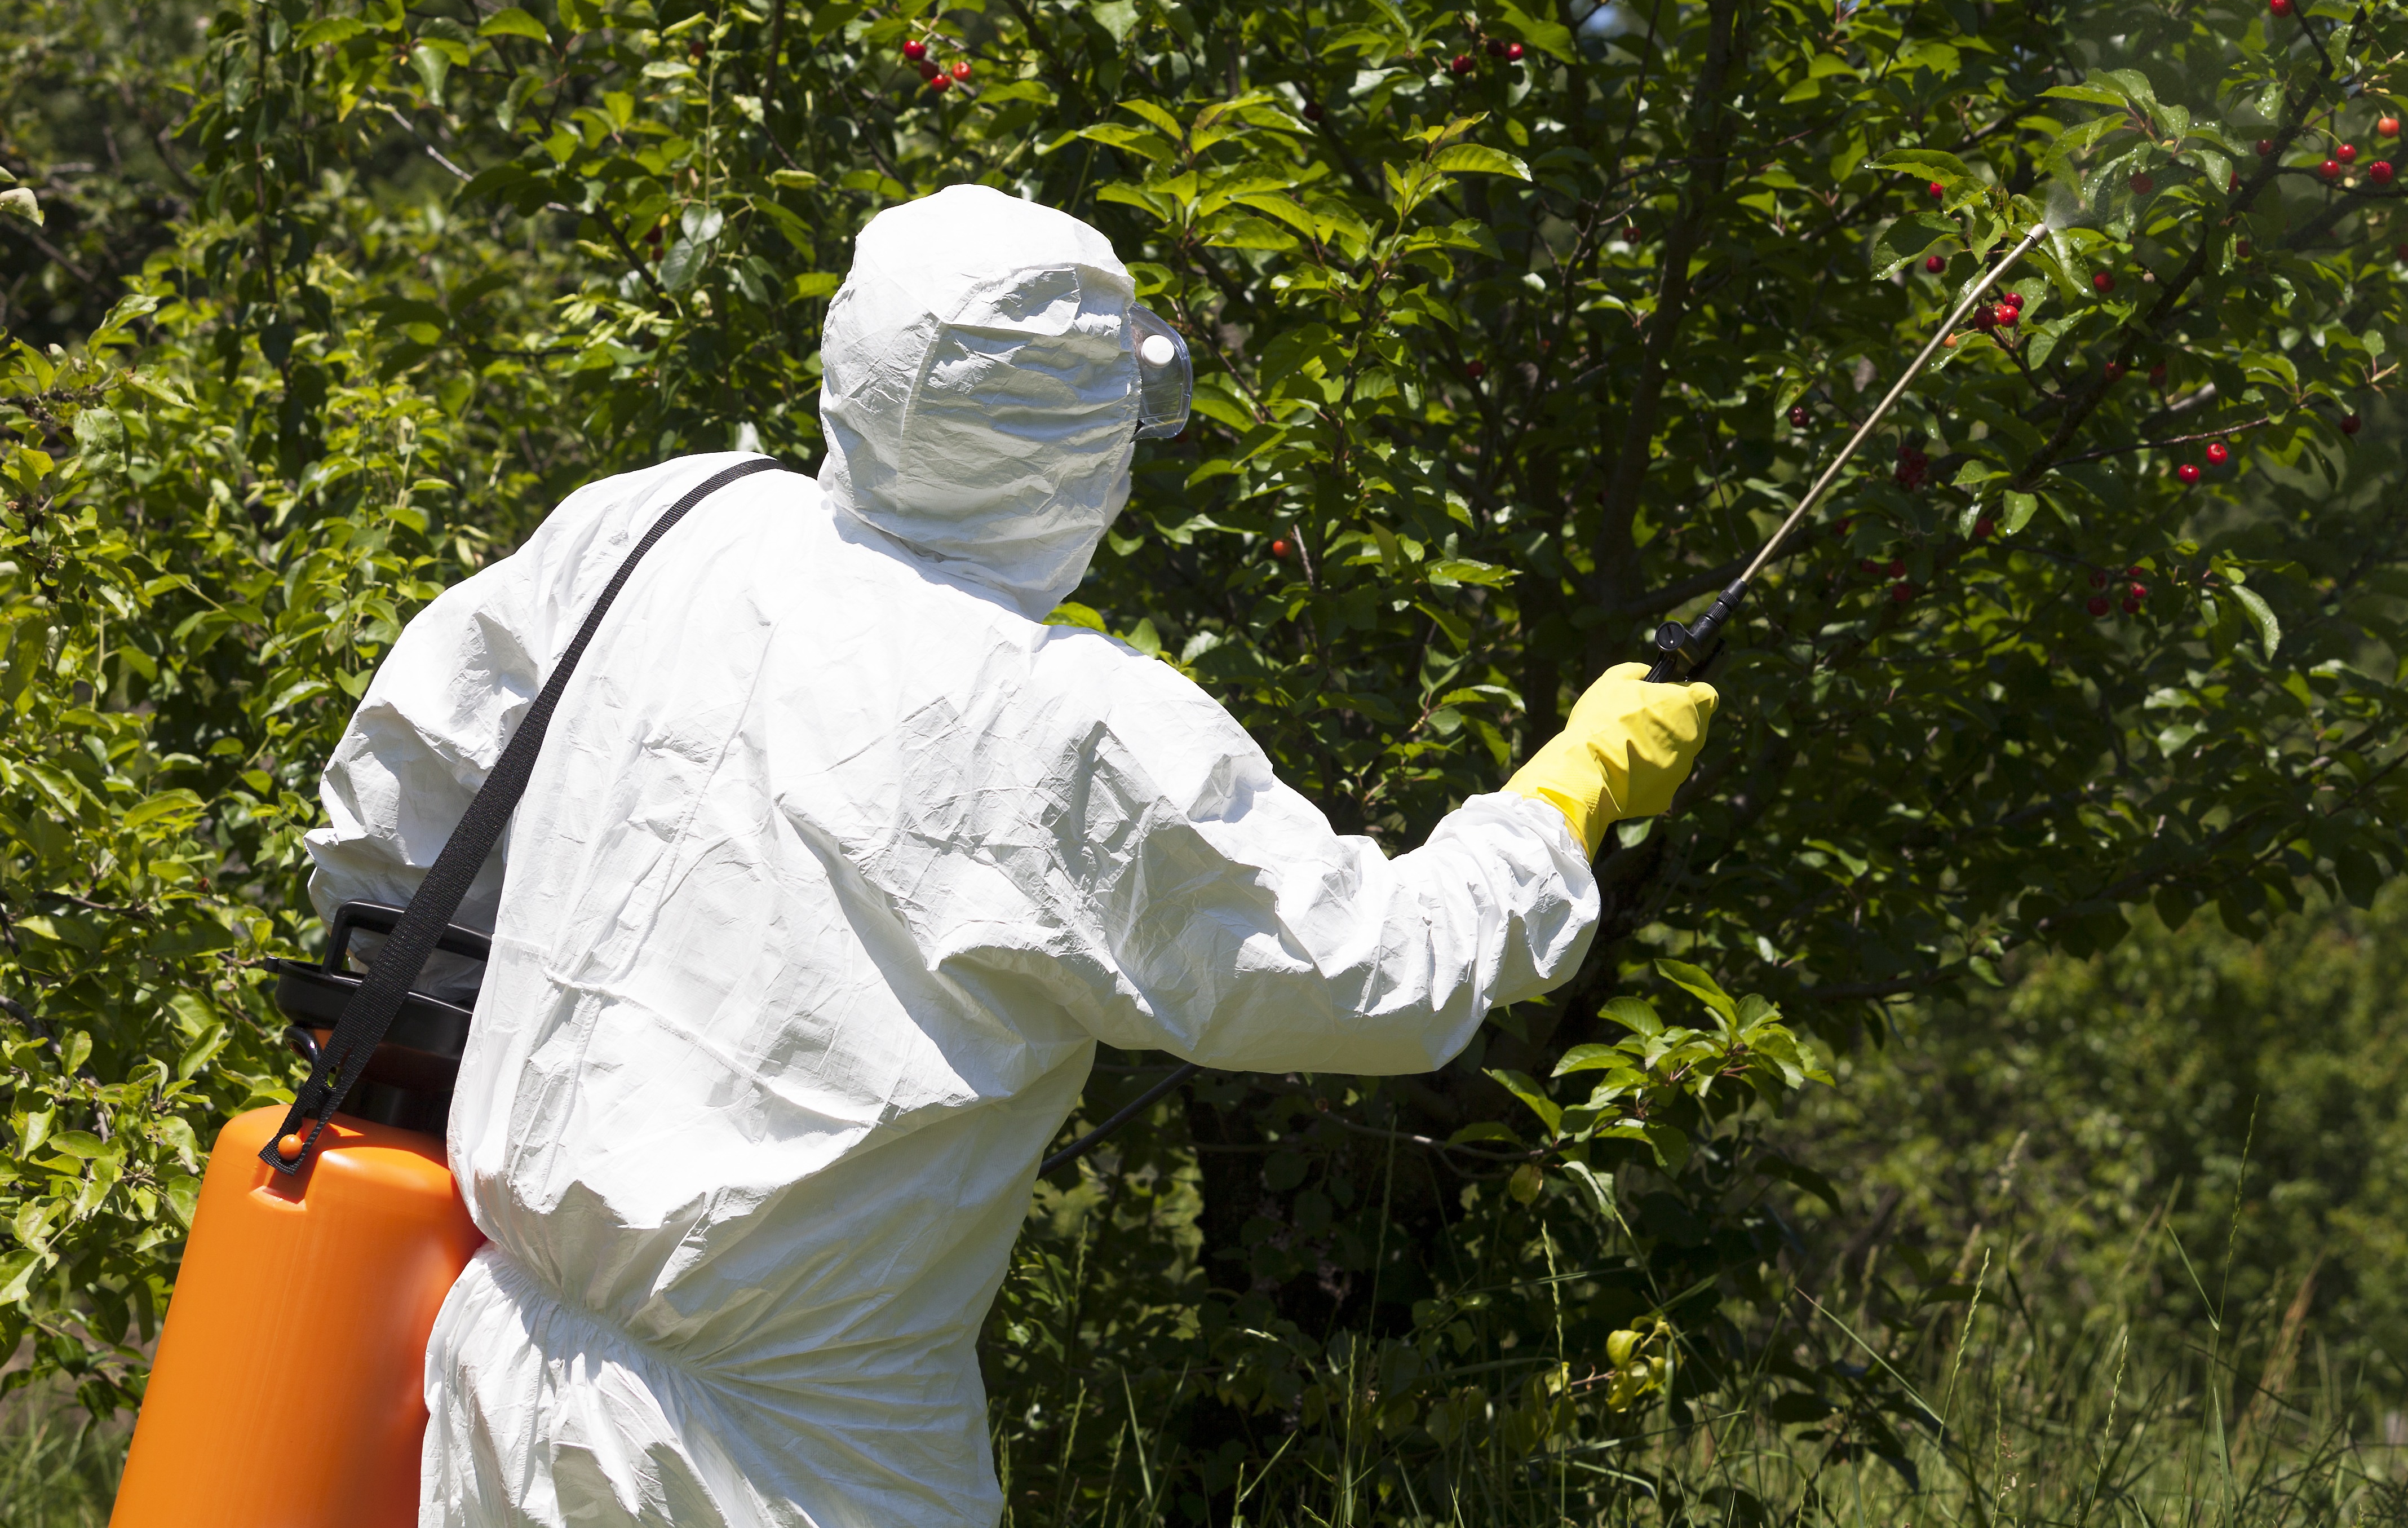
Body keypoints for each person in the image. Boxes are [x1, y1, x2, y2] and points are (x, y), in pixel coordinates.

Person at [306, 184, 1720, 1528]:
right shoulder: (1062, 726)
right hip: (799, 1465)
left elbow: (402, 794)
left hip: (501, 1377)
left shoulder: (678, 521)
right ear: (1079, 445)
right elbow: (1379, 972)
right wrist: (1566, 797)